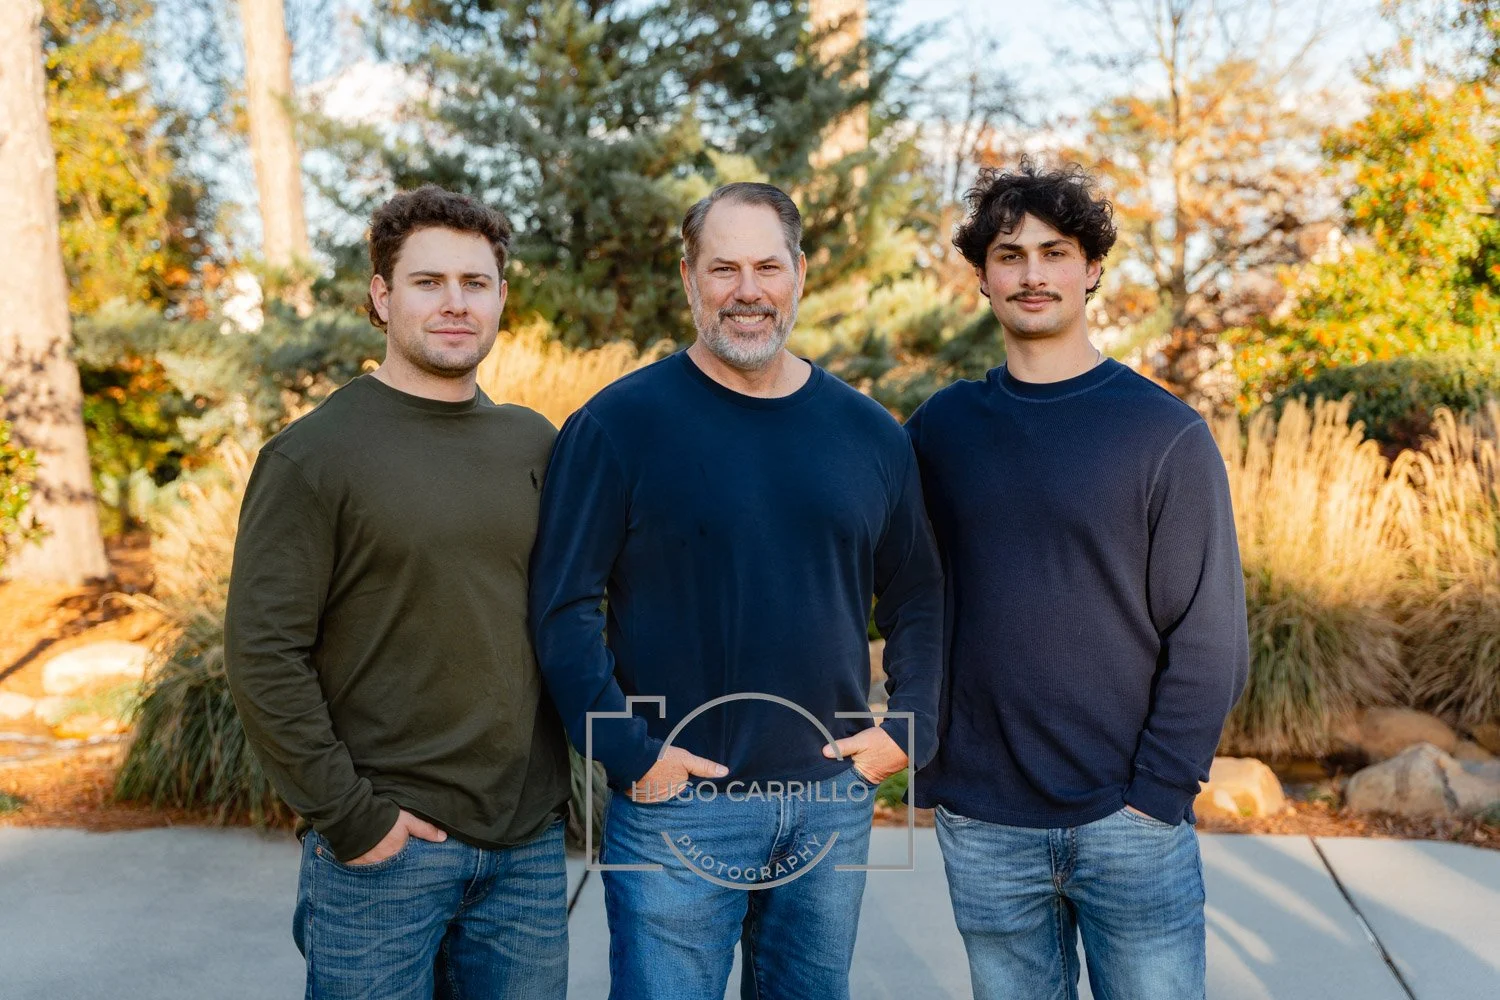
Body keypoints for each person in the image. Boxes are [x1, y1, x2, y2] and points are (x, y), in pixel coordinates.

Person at [529, 181, 943, 1000]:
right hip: (678, 804)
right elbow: (562, 608)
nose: (746, 291)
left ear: (798, 275)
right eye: (723, 269)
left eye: (766, 266)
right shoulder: (618, 426)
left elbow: (919, 595)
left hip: (828, 801)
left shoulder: (868, 433)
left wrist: (910, 728)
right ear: (689, 280)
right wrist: (628, 754)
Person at [905, 160, 1249, 1000]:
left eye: (1054, 252)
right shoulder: (943, 428)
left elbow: (1209, 635)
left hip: (1126, 821)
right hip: (983, 820)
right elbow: (889, 583)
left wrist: (1156, 796)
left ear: (1092, 268)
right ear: (983, 276)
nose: (1031, 273)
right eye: (1009, 254)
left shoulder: (1163, 433)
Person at [225, 184, 571, 1000]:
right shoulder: (314, 457)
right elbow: (263, 653)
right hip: (388, 852)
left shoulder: (536, 441)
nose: (455, 303)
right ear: (382, 297)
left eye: (475, 283)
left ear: (500, 298)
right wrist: (353, 819)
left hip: (525, 849)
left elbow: (583, 611)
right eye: (428, 282)